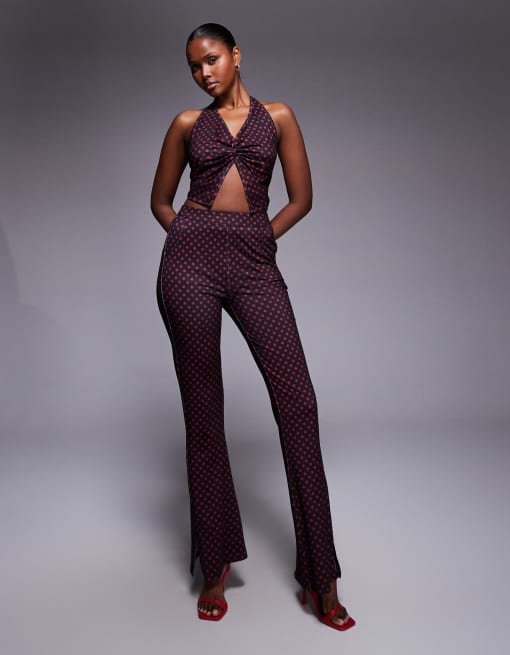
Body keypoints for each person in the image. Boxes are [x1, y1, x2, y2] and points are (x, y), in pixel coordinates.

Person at [150, 22, 355, 631]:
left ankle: (321, 575)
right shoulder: (187, 124)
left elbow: (302, 198)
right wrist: (191, 238)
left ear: (235, 55)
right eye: (194, 66)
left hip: (254, 262)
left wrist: (259, 238)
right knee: (204, 411)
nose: (203, 73)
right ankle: (213, 567)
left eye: (211, 59)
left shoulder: (279, 116)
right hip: (189, 264)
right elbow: (160, 200)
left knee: (299, 404)